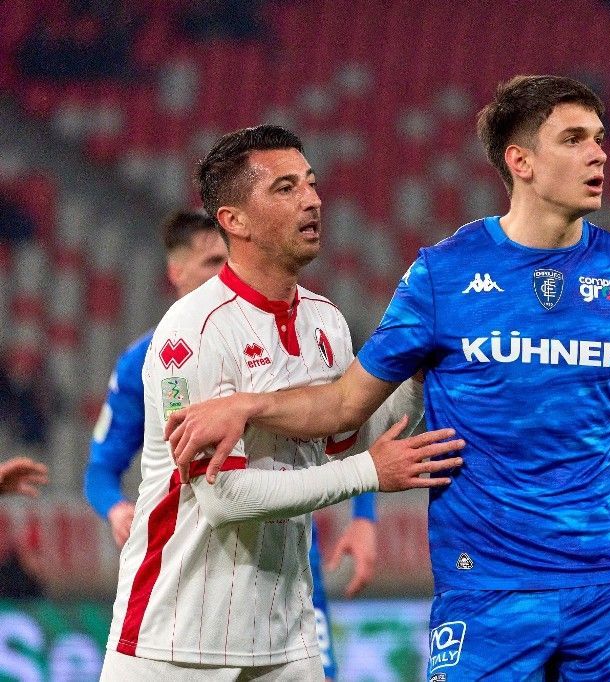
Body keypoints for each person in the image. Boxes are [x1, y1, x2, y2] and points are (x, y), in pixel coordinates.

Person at [165, 77, 610, 680]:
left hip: (608, 589)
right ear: (521, 162)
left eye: (599, 139)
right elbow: (344, 405)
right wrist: (247, 407)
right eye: (573, 140)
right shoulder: (443, 274)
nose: (598, 155)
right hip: (485, 594)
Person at [100, 125, 464, 681]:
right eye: (286, 188)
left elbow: (349, 438)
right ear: (235, 221)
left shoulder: (326, 322)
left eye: (311, 184)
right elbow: (225, 498)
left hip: (285, 636)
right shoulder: (192, 331)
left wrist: (413, 375)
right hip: (174, 640)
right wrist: (369, 474)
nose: (312, 200)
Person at [83, 208, 374, 679]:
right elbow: (101, 470)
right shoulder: (158, 355)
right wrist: (116, 509)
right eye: (211, 262)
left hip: (291, 585)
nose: (225, 271)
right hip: (186, 610)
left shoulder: (311, 327)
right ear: (176, 271)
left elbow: (345, 424)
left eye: (228, 258)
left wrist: (364, 517)